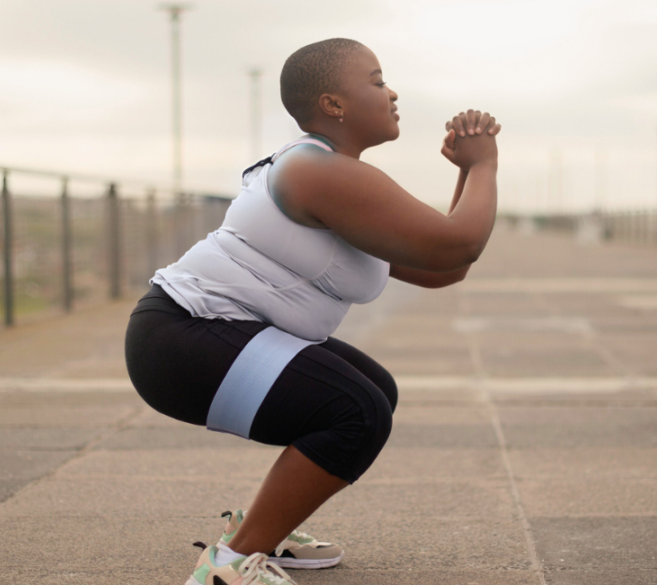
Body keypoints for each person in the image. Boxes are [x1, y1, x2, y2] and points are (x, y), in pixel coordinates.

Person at [124, 38, 500, 585]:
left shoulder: (336, 178)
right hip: (184, 337)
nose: (391, 92)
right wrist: (484, 162)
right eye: (376, 80)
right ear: (333, 104)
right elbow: (457, 245)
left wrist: (468, 173)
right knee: (355, 410)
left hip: (198, 335)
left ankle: (258, 534)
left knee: (374, 389)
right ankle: (227, 567)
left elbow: (442, 267)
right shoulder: (317, 171)